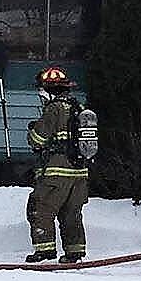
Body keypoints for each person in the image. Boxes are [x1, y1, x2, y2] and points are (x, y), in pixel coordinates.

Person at [25, 66, 90, 263]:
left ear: (49, 91)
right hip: (79, 172)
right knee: (71, 213)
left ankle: (45, 251)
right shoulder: (79, 108)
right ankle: (74, 252)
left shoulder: (54, 109)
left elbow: (37, 140)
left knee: (40, 208)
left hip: (56, 172)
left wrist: (32, 130)